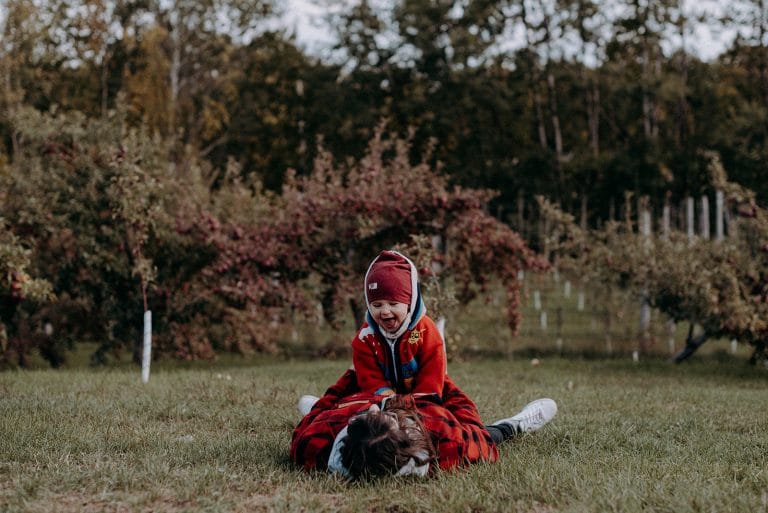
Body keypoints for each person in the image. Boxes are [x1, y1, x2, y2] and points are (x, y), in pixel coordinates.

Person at [290, 368, 557, 479]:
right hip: (420, 406)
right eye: (387, 417)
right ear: (408, 435)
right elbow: (473, 426)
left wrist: (353, 374)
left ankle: (340, 408)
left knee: (316, 409)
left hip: (353, 402)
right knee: (492, 435)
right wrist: (438, 376)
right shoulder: (444, 437)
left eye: (369, 415)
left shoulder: (313, 444)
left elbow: (309, 423)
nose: (375, 407)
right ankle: (516, 424)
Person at [352, 250, 446, 397]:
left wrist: (423, 397)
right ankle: (319, 408)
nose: (385, 311)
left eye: (393, 304)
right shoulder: (366, 336)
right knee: (348, 396)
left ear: (410, 303)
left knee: (454, 405)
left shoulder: (424, 330)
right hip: (378, 393)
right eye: (377, 305)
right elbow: (368, 376)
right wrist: (386, 396)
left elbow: (433, 368)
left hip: (424, 391)